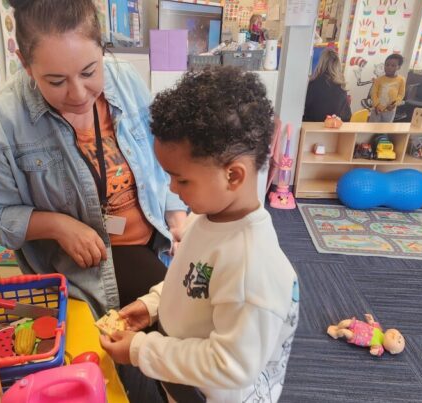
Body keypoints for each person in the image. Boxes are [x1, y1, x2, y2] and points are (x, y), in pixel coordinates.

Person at [0, 0, 187, 316]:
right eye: (56, 81)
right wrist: (58, 226)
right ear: (25, 64)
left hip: (158, 238)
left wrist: (177, 215)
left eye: (89, 72)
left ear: (102, 49)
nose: (78, 94)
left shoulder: (125, 79)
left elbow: (162, 156)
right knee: (173, 320)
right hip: (90, 268)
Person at [100, 66, 300, 402]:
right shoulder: (205, 219)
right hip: (183, 374)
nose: (172, 189)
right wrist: (152, 306)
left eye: (182, 179)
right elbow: (190, 281)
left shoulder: (252, 269)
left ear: (233, 176)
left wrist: (142, 351)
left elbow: (230, 365)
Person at [303, 48, 352, 122]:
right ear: (337, 64)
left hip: (312, 128)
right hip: (334, 130)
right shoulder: (341, 86)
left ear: (321, 63)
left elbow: (305, 108)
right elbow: (347, 116)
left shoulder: (313, 83)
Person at [369, 54, 405, 122]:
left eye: (393, 66)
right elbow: (373, 93)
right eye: (387, 65)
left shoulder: (401, 80)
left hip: (390, 110)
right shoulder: (379, 79)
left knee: (385, 128)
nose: (389, 67)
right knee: (372, 128)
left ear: (399, 67)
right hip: (377, 109)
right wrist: (377, 105)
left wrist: (394, 104)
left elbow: (401, 95)